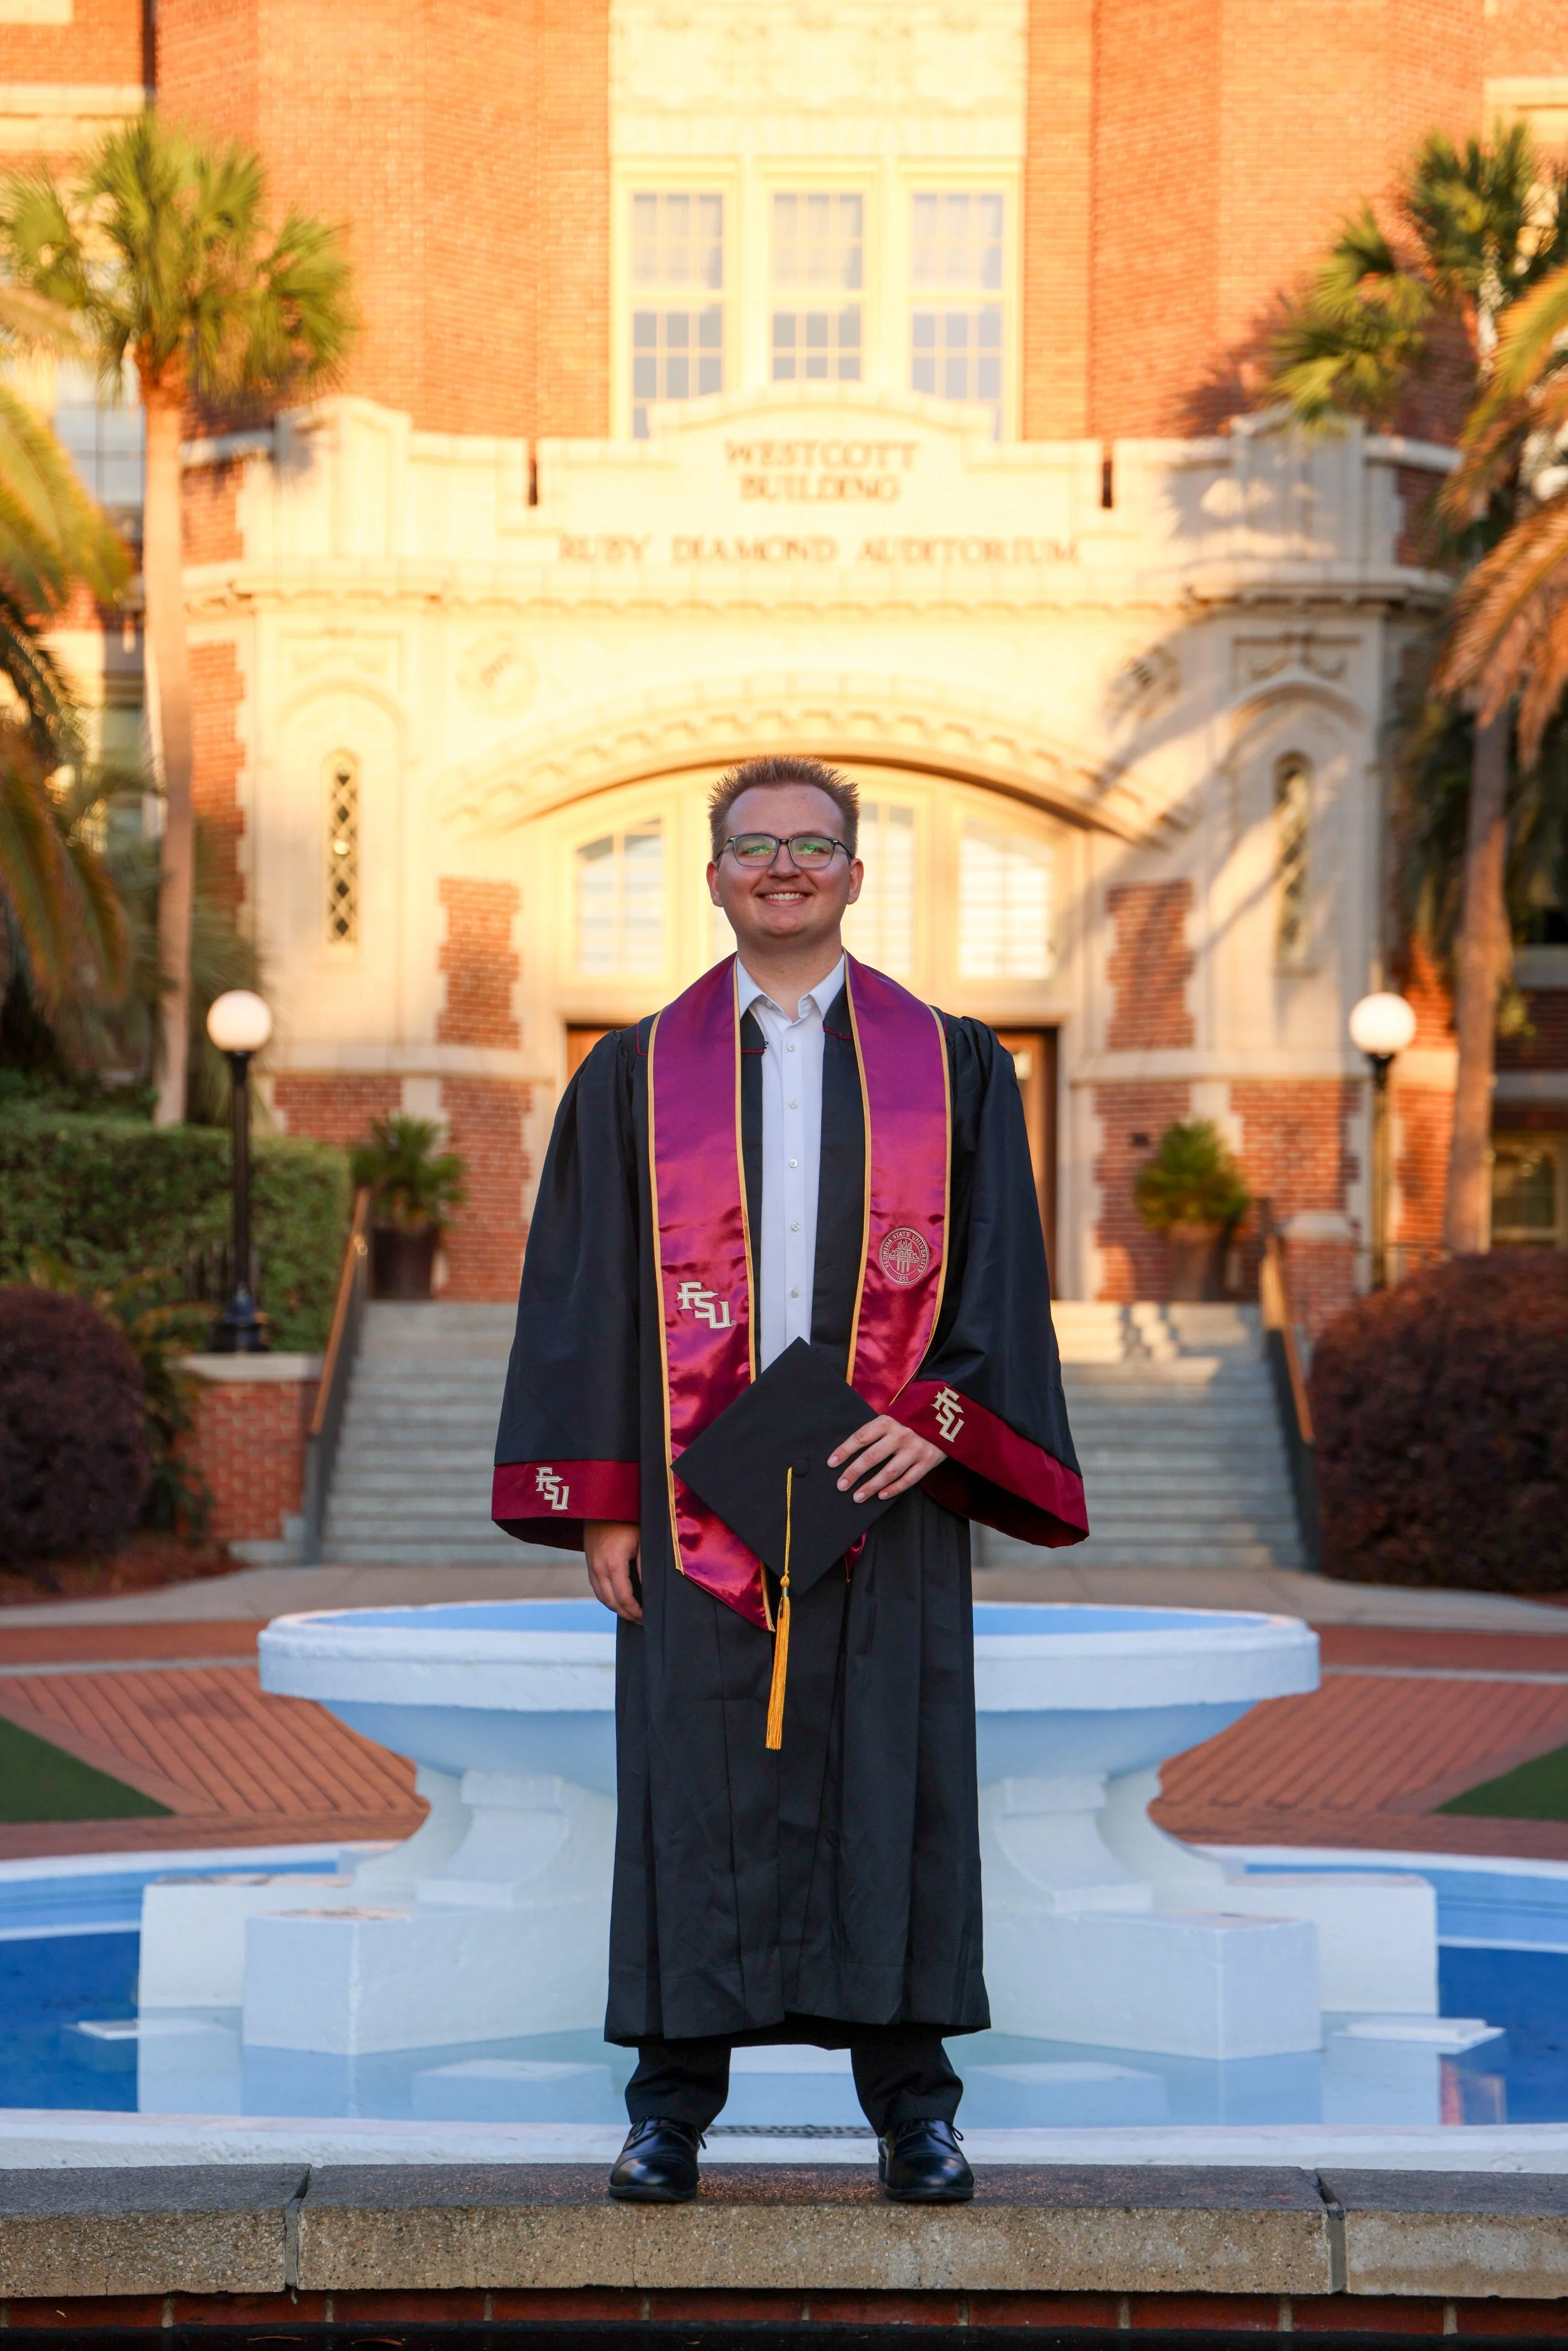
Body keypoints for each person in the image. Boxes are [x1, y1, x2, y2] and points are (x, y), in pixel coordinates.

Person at [493, 753, 1087, 2204]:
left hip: (884, 1493)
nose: (781, 866)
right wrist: (609, 1501)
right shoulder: (631, 1072)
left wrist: (938, 1419)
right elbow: (584, 1298)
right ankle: (668, 2107)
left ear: (854, 874)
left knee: (898, 1777)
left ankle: (914, 2109)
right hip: (700, 1498)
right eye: (752, 845)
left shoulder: (951, 1063)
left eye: (809, 845)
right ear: (711, 877)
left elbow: (1002, 1269)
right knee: (690, 1787)